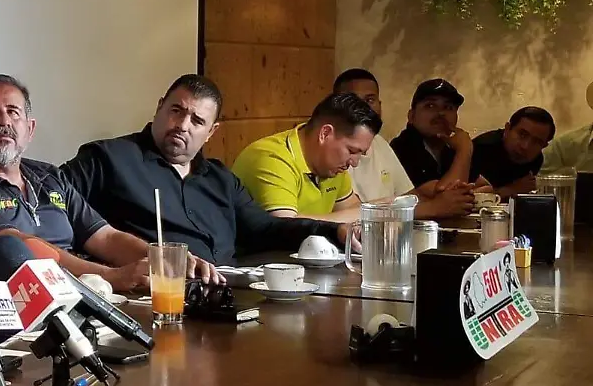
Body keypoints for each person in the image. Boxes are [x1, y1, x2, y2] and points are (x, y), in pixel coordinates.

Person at [0, 74, 220, 291]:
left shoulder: (49, 177)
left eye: (13, 112)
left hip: (87, 302)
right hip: (23, 314)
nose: (3, 121)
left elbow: (105, 238)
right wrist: (111, 278)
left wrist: (169, 260)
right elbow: (17, 246)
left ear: (30, 129)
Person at [60, 74, 347, 265]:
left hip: (229, 296)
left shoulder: (221, 180)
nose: (182, 125)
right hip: (153, 299)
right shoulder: (108, 158)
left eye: (197, 121)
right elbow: (51, 200)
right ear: (159, 108)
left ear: (211, 132)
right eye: (176, 111)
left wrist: (337, 232)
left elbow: (266, 229)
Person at [334, 69, 474, 219]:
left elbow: (407, 196)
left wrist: (448, 197)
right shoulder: (336, 149)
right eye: (430, 106)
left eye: (370, 100)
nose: (440, 114)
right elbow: (354, 215)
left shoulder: (379, 142)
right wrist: (433, 207)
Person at [232, 93, 378, 222]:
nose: (355, 163)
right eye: (352, 151)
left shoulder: (331, 165)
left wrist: (368, 212)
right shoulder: (271, 158)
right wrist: (373, 211)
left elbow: (352, 209)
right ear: (325, 134)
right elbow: (287, 229)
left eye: (360, 153)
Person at [389, 79, 482, 190]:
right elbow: (446, 196)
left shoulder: (449, 148)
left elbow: (483, 185)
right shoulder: (400, 150)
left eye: (448, 107)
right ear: (411, 116)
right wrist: (464, 150)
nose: (441, 113)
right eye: (430, 106)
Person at [471, 107, 555, 197]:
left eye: (537, 142)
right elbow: (466, 196)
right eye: (522, 135)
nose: (525, 146)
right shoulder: (480, 148)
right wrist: (510, 190)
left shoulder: (536, 159)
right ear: (507, 129)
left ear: (544, 146)